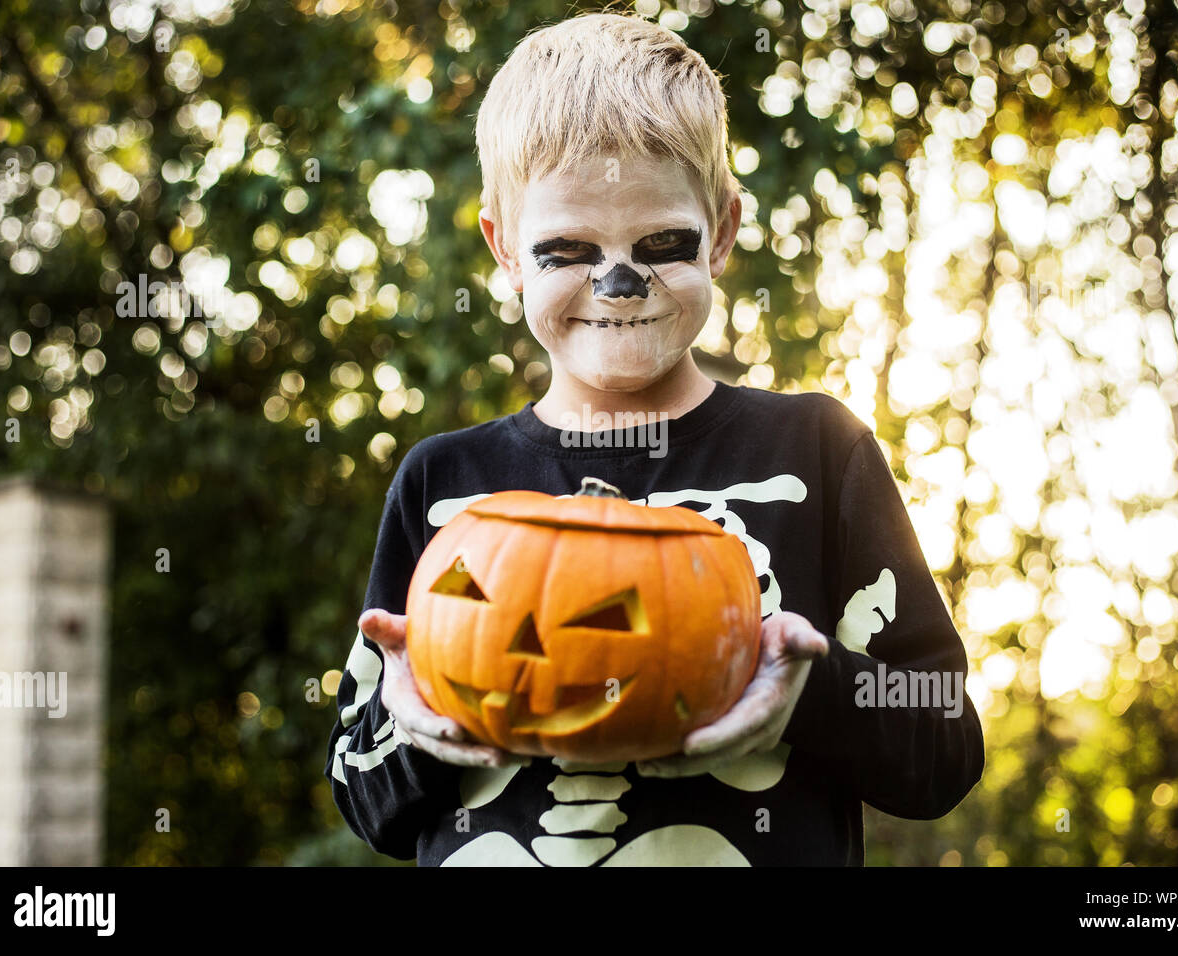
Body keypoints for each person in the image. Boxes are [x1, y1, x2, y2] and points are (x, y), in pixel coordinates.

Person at [325, 11, 984, 866]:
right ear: (505, 251)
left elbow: (943, 748)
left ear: (723, 232)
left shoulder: (819, 454)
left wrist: (802, 695)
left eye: (658, 243)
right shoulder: (441, 483)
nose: (620, 281)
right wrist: (421, 728)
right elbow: (359, 789)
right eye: (568, 250)